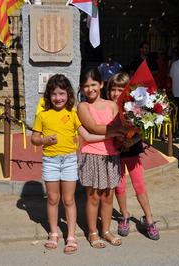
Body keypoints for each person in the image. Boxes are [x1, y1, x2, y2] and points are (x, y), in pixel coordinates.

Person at [31, 74, 108, 254]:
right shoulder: (42, 115)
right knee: (52, 198)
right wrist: (44, 140)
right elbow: (34, 139)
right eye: (54, 94)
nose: (58, 98)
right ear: (49, 96)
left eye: (62, 94)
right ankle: (53, 233)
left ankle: (71, 236)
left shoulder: (72, 114)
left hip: (69, 160)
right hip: (50, 161)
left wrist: (109, 135)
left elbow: (87, 136)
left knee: (68, 199)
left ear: (68, 95)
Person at [107, 72, 160, 241]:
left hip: (133, 150)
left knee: (139, 185)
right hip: (115, 152)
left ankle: (149, 219)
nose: (116, 93)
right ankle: (124, 216)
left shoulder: (136, 106)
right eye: (113, 89)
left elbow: (144, 129)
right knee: (119, 186)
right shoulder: (107, 107)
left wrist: (132, 141)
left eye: (120, 89)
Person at [77, 68, 123, 248]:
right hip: (91, 155)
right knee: (93, 197)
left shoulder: (112, 105)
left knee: (108, 197)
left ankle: (106, 230)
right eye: (86, 86)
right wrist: (118, 131)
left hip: (112, 155)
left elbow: (120, 126)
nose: (90, 89)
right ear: (81, 88)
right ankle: (93, 232)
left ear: (101, 84)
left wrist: (127, 133)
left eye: (94, 84)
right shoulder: (82, 107)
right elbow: (94, 128)